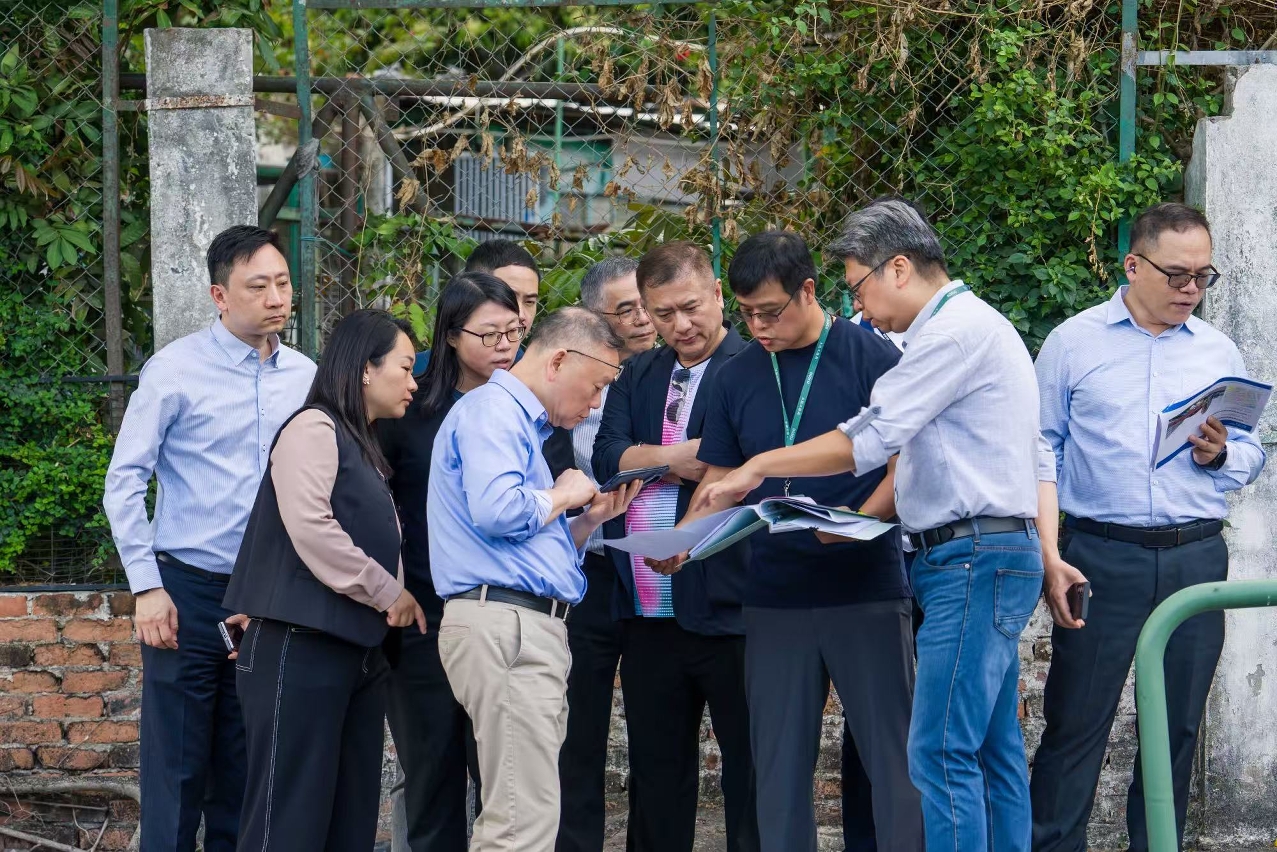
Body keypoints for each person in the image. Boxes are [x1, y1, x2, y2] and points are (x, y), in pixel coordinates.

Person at [692, 200, 1055, 851]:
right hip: (977, 552)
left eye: (858, 285)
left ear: (898, 268)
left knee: (938, 751)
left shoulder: (947, 337)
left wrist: (760, 466)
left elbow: (869, 439)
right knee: (990, 748)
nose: (857, 302)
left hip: (969, 556)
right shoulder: (969, 327)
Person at [651, 231, 922, 851]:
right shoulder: (735, 375)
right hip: (774, 595)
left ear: (808, 290)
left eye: (770, 312)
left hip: (865, 587)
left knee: (894, 762)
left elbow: (906, 464)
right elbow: (721, 477)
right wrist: (684, 540)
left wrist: (860, 524)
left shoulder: (871, 357)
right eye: (747, 313)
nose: (757, 327)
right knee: (776, 770)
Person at [1029, 203, 1266, 852]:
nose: (1190, 289)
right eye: (1176, 275)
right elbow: (1040, 449)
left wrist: (1220, 453)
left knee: (1177, 730)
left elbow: (1250, 452)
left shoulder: (1218, 350)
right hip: (1101, 555)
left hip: (1195, 559)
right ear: (1132, 265)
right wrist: (1048, 552)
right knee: (1076, 724)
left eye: (1202, 276)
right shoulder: (1072, 343)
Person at [102, 225, 316, 852]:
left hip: (270, 596)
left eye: (283, 283)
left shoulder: (305, 376)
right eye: (258, 286)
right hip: (186, 595)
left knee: (246, 768)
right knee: (176, 767)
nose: (276, 298)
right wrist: (147, 587)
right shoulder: (175, 370)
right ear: (220, 296)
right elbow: (124, 482)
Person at [429, 307, 643, 852]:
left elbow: (522, 544)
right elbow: (498, 511)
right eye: (596, 386)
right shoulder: (494, 412)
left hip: (518, 624)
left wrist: (588, 520)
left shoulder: (514, 421)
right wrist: (565, 494)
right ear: (559, 361)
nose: (596, 403)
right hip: (508, 626)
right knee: (519, 823)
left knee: (527, 813)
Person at [223, 309, 427, 851]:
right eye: (405, 368)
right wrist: (390, 593)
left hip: (355, 652)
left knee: (349, 823)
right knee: (286, 823)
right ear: (365, 369)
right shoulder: (314, 427)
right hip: (301, 648)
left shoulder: (362, 444)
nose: (413, 383)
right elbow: (312, 528)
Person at [592, 242, 758, 852]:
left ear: (717, 294)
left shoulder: (753, 366)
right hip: (647, 608)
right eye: (663, 314)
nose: (680, 325)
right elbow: (607, 457)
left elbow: (740, 462)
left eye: (690, 308)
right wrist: (679, 458)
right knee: (656, 774)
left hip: (730, 607)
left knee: (750, 772)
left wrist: (658, 464)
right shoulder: (639, 372)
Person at [380, 272, 547, 852]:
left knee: (506, 783)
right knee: (430, 777)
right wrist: (392, 587)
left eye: (514, 332)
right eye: (489, 334)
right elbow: (378, 506)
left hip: (504, 614)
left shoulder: (528, 406)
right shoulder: (410, 408)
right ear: (451, 335)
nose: (505, 346)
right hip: (425, 613)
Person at [556, 256, 656, 852]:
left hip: (653, 568)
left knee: (658, 732)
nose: (644, 318)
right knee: (578, 731)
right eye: (626, 309)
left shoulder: (670, 377)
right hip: (586, 571)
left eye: (648, 305)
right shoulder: (569, 384)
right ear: (594, 317)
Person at [413, 238, 575, 480]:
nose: (519, 314)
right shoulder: (411, 380)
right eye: (505, 296)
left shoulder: (544, 390)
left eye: (530, 302)